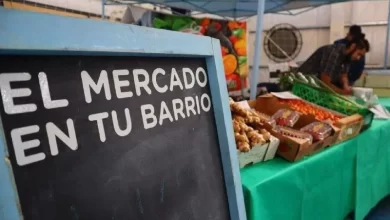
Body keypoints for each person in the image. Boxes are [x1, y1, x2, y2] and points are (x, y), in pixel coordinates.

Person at [297, 37, 370, 95]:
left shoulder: (347, 56)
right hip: (304, 84)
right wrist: (343, 92)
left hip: (317, 86)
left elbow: (344, 74)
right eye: (358, 54)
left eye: (361, 56)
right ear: (352, 46)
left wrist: (346, 86)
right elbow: (325, 83)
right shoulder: (333, 54)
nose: (358, 58)